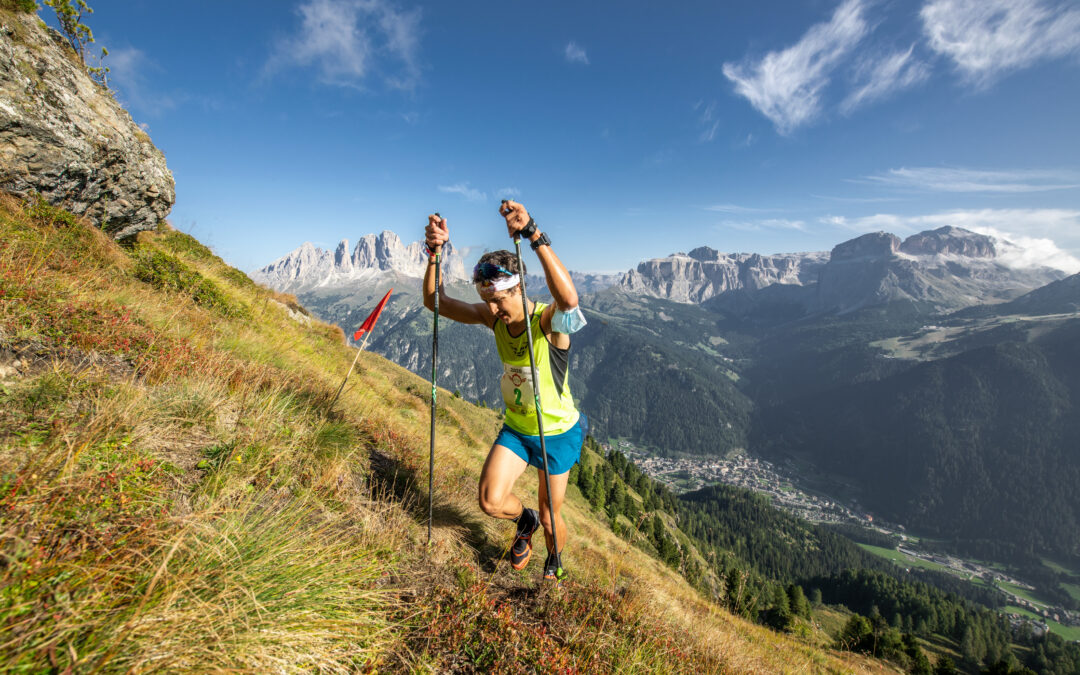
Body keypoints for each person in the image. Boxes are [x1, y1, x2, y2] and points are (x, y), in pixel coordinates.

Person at [422, 200, 588, 580]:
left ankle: (554, 565)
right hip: (518, 428)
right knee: (490, 501)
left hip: (557, 432)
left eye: (499, 299)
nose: (493, 310)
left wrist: (533, 234)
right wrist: (435, 254)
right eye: (487, 301)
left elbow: (570, 300)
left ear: (518, 288)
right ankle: (523, 519)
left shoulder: (548, 321)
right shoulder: (491, 317)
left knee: (552, 516)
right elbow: (435, 301)